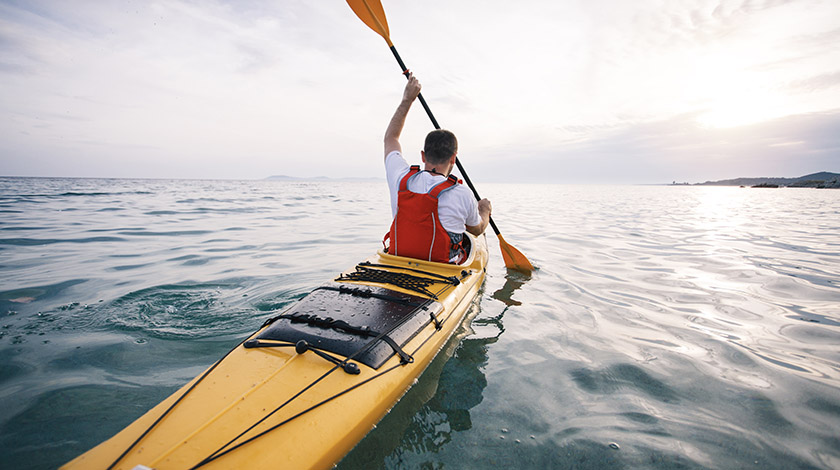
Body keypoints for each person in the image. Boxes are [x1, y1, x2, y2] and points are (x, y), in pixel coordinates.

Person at [383, 72, 492, 264]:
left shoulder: (400, 177)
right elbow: (476, 229)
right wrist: (485, 210)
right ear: (453, 159)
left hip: (398, 263)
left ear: (423, 155)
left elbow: (391, 138)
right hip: (442, 270)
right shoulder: (463, 194)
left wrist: (407, 100)